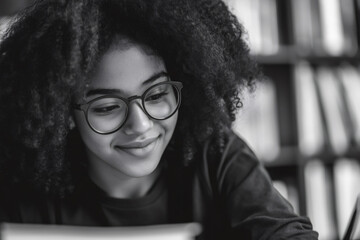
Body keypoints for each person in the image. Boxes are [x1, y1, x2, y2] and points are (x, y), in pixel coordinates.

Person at [0, 0, 318, 239]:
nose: (140, 125)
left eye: (155, 95)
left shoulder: (215, 154)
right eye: (107, 107)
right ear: (64, 113)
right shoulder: (23, 191)